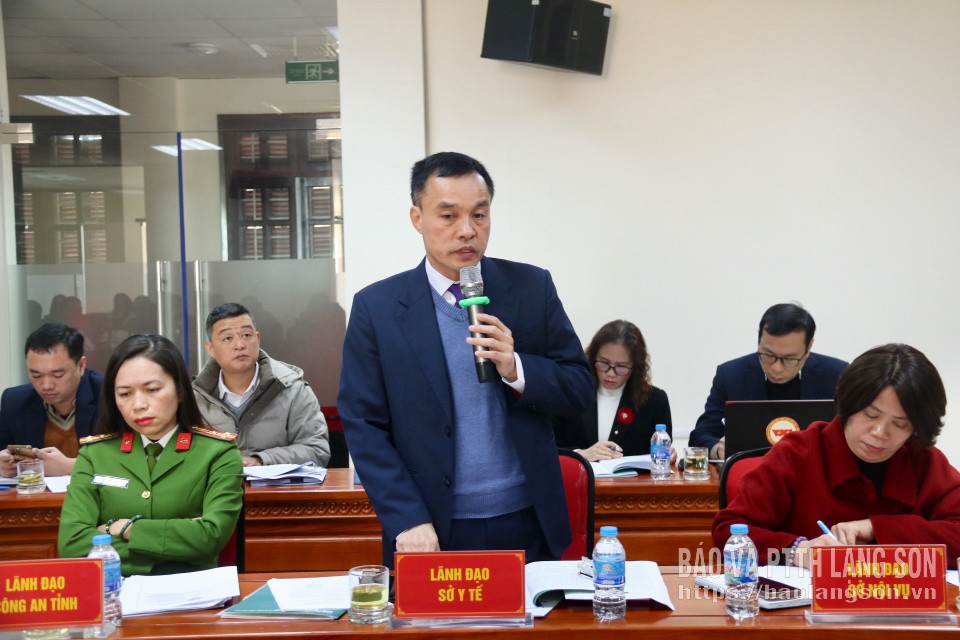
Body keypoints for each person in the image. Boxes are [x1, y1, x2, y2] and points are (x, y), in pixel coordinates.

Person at [338, 151, 594, 567]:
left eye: (479, 215)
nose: (467, 231)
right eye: (448, 216)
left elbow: (579, 387)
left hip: (527, 518)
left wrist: (517, 368)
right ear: (417, 218)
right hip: (431, 527)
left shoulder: (531, 287)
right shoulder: (377, 307)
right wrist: (407, 517)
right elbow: (363, 424)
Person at [712, 343, 960, 568]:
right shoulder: (797, 454)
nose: (879, 433)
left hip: (900, 601)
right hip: (805, 602)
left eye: (900, 424)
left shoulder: (924, 461)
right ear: (848, 405)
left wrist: (875, 528)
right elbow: (728, 532)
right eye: (870, 415)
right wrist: (796, 550)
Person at [58, 334, 243, 576]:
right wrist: (176, 548)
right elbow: (72, 544)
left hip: (191, 592)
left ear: (180, 390)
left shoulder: (217, 452)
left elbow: (210, 537)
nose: (138, 405)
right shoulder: (95, 454)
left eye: (152, 389)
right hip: (117, 590)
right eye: (125, 394)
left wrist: (125, 528)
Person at [689, 303, 847, 460]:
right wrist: (719, 450)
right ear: (759, 339)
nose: (777, 368)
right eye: (768, 355)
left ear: (809, 347)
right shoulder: (731, 375)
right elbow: (701, 435)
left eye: (789, 359)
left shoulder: (837, 375)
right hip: (750, 471)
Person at [193, 303, 330, 467]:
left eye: (246, 335)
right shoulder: (195, 398)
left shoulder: (292, 389)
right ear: (210, 349)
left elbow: (316, 450)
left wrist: (262, 460)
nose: (240, 345)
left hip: (276, 484)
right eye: (228, 338)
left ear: (257, 339)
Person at [553, 320, 674, 462]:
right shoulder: (571, 393)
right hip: (581, 475)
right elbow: (551, 448)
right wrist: (581, 454)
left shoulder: (655, 400)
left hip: (634, 477)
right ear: (593, 358)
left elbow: (660, 452)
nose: (611, 373)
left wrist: (667, 456)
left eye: (621, 366)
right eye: (604, 363)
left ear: (635, 367)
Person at [0, 323, 103, 477]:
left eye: (57, 375)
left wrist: (69, 466)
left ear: (81, 366)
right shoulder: (15, 402)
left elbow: (129, 462)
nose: (46, 385)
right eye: (36, 375)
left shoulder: (109, 397)